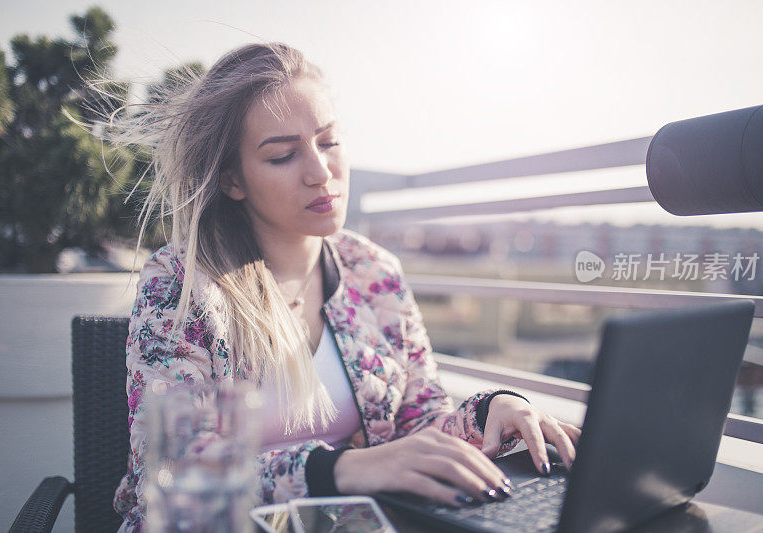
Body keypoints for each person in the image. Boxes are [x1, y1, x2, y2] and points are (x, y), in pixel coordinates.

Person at [108, 42, 581, 532]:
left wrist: (490, 412)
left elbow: (418, 423)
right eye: (284, 155)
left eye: (329, 142)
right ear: (233, 180)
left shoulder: (373, 271)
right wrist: (341, 470)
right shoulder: (182, 281)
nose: (320, 172)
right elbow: (169, 472)